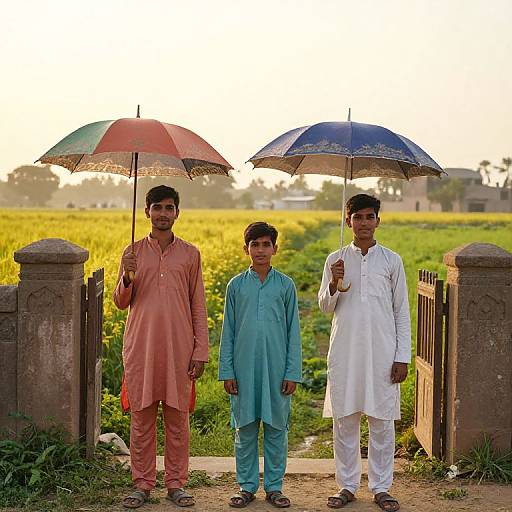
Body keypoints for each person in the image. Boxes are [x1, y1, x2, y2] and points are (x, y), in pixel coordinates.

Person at [114, 185, 208, 509]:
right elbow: (120, 302)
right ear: (147, 212)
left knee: (177, 419)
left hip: (179, 349)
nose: (163, 214)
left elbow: (198, 306)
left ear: (177, 213)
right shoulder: (132, 252)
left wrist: (201, 351)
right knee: (141, 419)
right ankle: (141, 483)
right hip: (141, 346)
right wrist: (127, 277)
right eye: (157, 208)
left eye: (169, 208)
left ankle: (176, 484)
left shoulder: (190, 254)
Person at [318, 194, 410, 512]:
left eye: (370, 217)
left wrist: (402, 356)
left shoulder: (391, 261)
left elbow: (401, 312)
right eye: (357, 217)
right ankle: (346, 485)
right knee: (345, 419)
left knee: (382, 420)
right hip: (346, 351)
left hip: (383, 352)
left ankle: (382, 487)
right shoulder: (336, 259)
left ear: (378, 222)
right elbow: (325, 306)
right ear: (348, 221)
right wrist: (334, 281)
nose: (364, 223)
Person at [219, 222, 302, 509]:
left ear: (275, 249)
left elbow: (294, 333)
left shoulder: (285, 286)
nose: (261, 250)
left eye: (266, 244)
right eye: (255, 244)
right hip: (243, 370)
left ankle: (275, 487)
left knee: (277, 427)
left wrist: (292, 372)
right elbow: (227, 331)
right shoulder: (236, 286)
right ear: (246, 249)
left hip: (277, 369)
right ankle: (246, 486)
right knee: (245, 429)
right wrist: (227, 371)